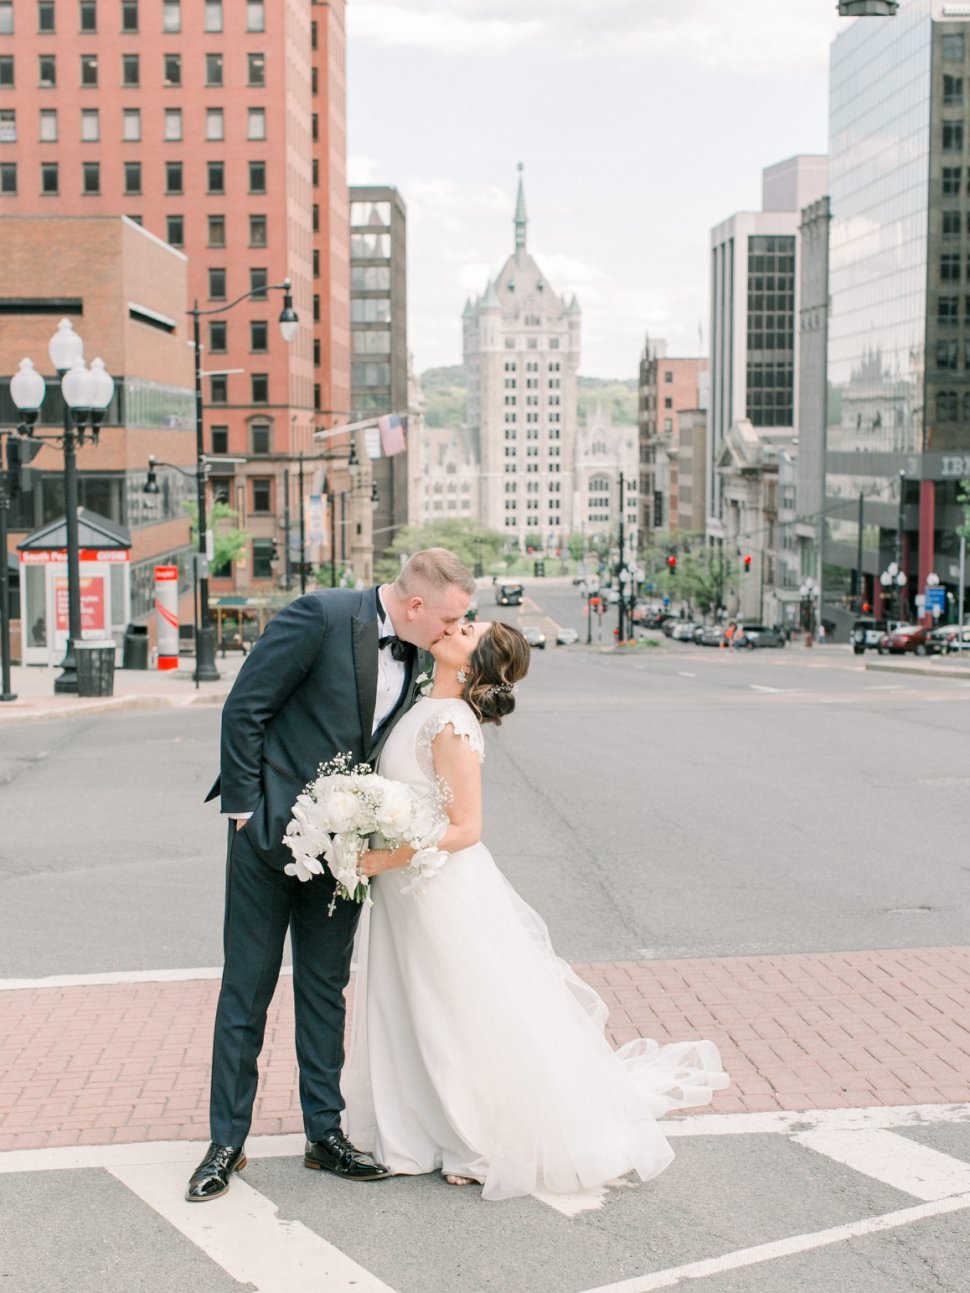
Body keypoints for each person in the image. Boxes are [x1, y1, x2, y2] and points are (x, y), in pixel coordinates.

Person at [346, 621, 729, 1200]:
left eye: (468, 628)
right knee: (403, 1001)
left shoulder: (451, 725)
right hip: (404, 883)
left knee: (451, 1008)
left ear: (472, 665)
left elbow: (468, 829)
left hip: (433, 886)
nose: (457, 624)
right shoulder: (423, 702)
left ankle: (479, 1138)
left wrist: (386, 857)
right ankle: (413, 1128)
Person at [186, 548, 476, 1202]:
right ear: (417, 604)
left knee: (325, 991)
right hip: (266, 839)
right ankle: (225, 1142)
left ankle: (326, 1134)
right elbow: (245, 708)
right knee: (246, 992)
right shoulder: (321, 615)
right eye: (451, 616)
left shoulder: (424, 655)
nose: (456, 628)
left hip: (346, 846)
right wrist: (245, 814)